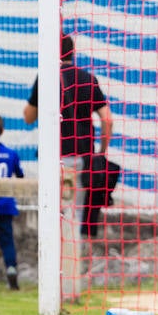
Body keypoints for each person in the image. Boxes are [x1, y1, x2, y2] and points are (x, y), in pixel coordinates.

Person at [22, 33, 113, 223]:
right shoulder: (88, 78)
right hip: (81, 156)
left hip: (51, 156)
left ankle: (48, 252)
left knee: (50, 212)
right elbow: (107, 119)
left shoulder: (46, 77)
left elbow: (28, 117)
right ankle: (72, 253)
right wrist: (102, 151)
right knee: (74, 214)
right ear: (73, 51)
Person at [0, 113, 23, 290]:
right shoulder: (11, 153)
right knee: (6, 240)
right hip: (6, 204)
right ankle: (11, 269)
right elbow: (20, 176)